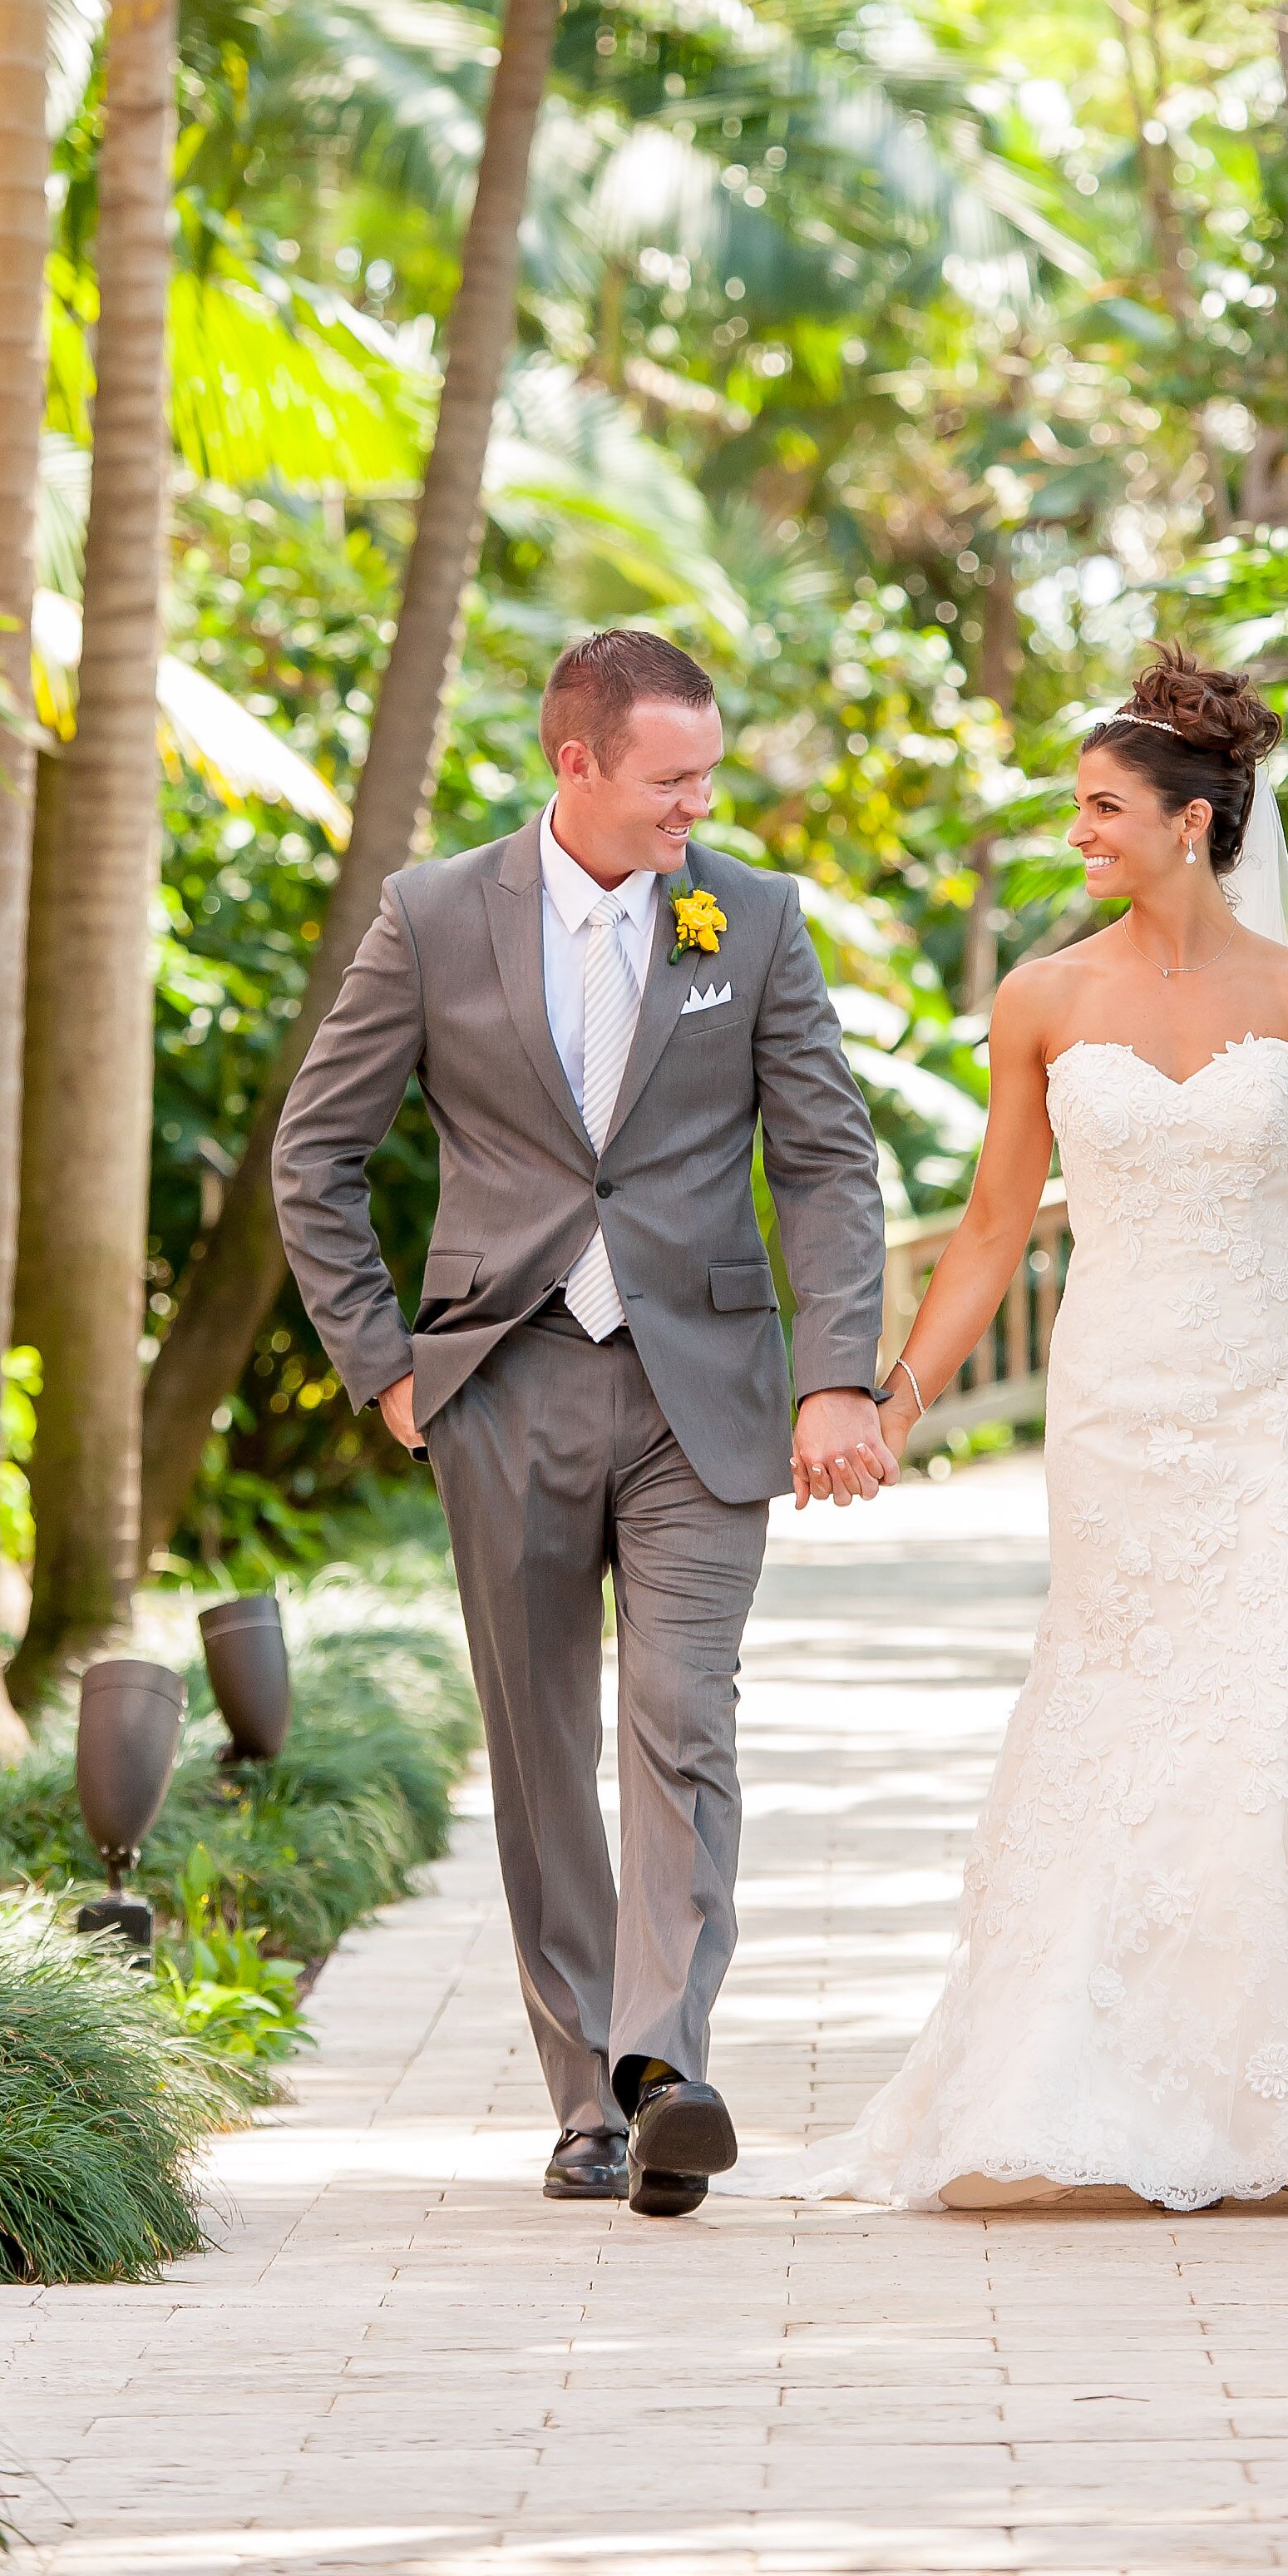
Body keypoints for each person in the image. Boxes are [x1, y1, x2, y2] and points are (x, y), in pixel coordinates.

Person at [730, 647, 1288, 2213]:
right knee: (1125, 1704)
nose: (1078, 828)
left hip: (1274, 1395)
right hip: (1116, 1404)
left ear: (1197, 823)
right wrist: (898, 1396)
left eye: (1103, 806)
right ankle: (1078, 2080)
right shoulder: (1044, 997)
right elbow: (996, 1227)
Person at [272, 629, 890, 2216]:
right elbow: (315, 1155)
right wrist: (385, 1365)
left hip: (707, 1394)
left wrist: (836, 1369)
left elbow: (824, 1159)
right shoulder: (431, 916)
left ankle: (663, 2067)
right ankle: (584, 2100)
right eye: (673, 778)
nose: (701, 805)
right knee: (542, 1751)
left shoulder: (750, 917)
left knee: (683, 1720)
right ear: (577, 762)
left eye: (709, 774)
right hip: (504, 1383)